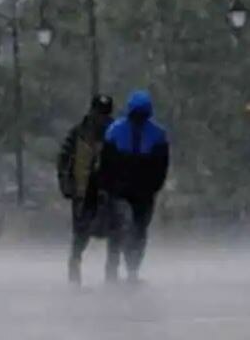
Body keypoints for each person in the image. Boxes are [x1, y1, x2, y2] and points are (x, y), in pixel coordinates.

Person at [99, 90, 169, 284]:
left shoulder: (157, 134)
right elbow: (106, 164)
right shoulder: (115, 131)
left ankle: (132, 270)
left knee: (138, 230)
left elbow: (161, 165)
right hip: (120, 191)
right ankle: (113, 269)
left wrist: (155, 186)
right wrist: (107, 187)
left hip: (143, 192)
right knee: (121, 227)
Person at [57, 94, 115, 285]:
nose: (102, 118)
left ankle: (111, 276)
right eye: (99, 112)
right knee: (81, 234)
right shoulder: (78, 134)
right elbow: (64, 159)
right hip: (83, 192)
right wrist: (67, 185)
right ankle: (74, 272)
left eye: (105, 114)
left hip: (109, 193)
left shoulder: (116, 133)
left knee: (114, 234)